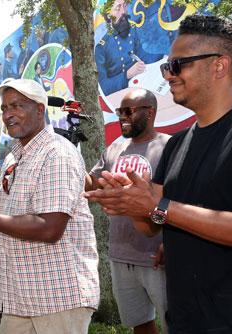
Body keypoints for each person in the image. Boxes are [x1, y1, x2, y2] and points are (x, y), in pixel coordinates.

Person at [85, 15, 232, 332]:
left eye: (178, 64)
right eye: (168, 66)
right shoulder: (178, 144)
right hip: (184, 320)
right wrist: (131, 202)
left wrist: (159, 207)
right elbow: (152, 228)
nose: (168, 75)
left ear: (219, 65)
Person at [0, 79, 99, 333]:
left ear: (40, 109)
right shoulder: (13, 157)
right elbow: (11, 217)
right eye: (4, 108)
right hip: (19, 298)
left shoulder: (57, 153)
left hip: (58, 297)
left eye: (17, 106)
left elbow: (49, 227)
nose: (8, 114)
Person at [85, 88, 169, 334]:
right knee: (140, 325)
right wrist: (69, 159)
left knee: (174, 324)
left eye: (128, 111)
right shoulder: (115, 148)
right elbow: (92, 181)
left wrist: (172, 243)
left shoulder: (168, 146)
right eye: (120, 111)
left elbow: (181, 199)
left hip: (159, 257)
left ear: (150, 112)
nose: (122, 116)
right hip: (121, 256)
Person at [95, 0, 163, 96]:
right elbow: (102, 88)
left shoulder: (132, 29)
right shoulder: (101, 46)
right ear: (108, 15)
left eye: (125, 5)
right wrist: (127, 75)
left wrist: (163, 54)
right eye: (118, 8)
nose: (123, 11)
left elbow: (146, 57)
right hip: (118, 95)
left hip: (140, 86)